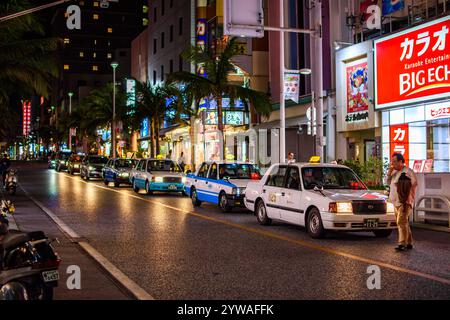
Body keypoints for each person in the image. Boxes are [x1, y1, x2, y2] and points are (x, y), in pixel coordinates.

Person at [387, 153, 417, 252]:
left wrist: (408, 197)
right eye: (392, 161)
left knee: (401, 221)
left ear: (400, 161)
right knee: (403, 222)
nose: (392, 163)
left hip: (404, 201)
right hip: (395, 201)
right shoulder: (395, 173)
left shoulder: (408, 172)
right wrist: (389, 173)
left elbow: (414, 184)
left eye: (394, 161)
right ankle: (409, 242)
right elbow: (387, 183)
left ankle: (402, 243)